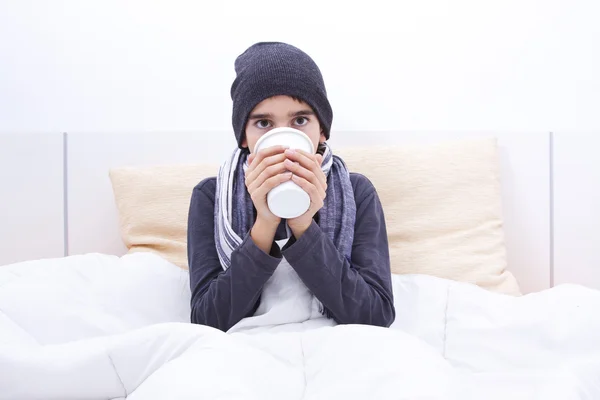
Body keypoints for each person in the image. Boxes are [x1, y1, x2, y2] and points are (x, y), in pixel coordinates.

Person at [187, 42, 395, 332]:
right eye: (263, 123)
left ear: (321, 129)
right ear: (244, 136)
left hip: (337, 344)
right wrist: (266, 221)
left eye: (300, 120)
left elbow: (375, 316)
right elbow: (208, 320)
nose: (282, 138)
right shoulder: (211, 197)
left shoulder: (356, 191)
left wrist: (303, 224)